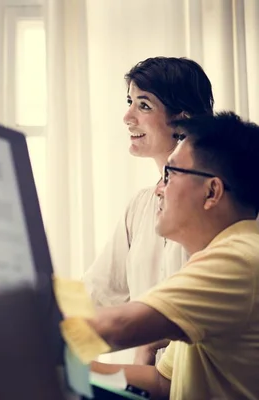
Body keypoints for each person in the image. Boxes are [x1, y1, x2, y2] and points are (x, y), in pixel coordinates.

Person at [87, 111, 259, 399]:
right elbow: (163, 382)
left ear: (212, 192)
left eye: (171, 173)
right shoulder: (227, 254)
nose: (159, 189)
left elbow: (115, 328)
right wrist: (77, 374)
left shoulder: (237, 259)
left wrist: (9, 337)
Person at [82, 57, 214, 364]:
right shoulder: (140, 206)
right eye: (130, 102)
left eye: (143, 105)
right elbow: (97, 295)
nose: (127, 117)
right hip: (151, 383)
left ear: (182, 120)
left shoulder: (219, 205)